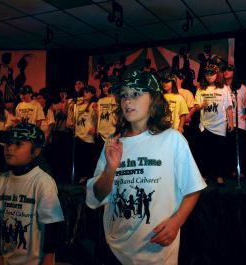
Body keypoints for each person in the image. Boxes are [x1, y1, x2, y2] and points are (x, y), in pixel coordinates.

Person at [85, 71, 206, 265]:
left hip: (157, 251)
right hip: (115, 251)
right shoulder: (113, 142)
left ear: (154, 100)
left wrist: (176, 223)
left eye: (136, 94)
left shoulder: (172, 139)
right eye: (124, 95)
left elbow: (194, 188)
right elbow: (96, 196)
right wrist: (110, 169)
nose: (127, 101)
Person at [0, 123, 64, 265]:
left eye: (18, 144)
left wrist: (48, 259)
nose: (9, 148)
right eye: (8, 143)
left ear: (35, 151)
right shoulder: (2, 181)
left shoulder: (42, 182)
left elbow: (53, 226)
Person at [194, 64, 233, 185]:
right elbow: (196, 106)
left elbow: (228, 106)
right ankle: (204, 175)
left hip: (220, 124)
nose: (209, 76)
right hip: (205, 125)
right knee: (205, 152)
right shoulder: (201, 89)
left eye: (212, 73)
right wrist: (201, 106)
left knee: (219, 152)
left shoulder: (223, 88)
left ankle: (219, 175)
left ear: (217, 75)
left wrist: (231, 121)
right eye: (207, 74)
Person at [223, 65, 246, 178]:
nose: (226, 72)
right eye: (225, 70)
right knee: (228, 147)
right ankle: (229, 169)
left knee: (240, 146)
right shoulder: (221, 87)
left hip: (239, 120)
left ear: (234, 72)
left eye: (229, 70)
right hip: (224, 120)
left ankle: (240, 170)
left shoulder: (242, 88)